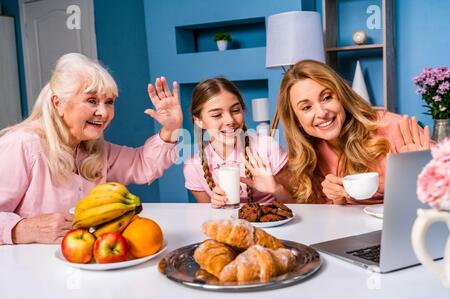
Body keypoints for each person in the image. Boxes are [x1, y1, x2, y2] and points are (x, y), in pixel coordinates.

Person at [0, 53, 182, 245]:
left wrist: (171, 129)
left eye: (109, 102)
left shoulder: (93, 148)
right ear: (58, 103)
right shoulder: (22, 145)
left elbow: (142, 164)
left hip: (82, 263)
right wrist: (22, 230)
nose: (103, 113)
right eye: (92, 101)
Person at [276, 59, 432, 205]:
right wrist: (338, 201)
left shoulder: (394, 127)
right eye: (306, 107)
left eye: (327, 97)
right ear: (297, 120)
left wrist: (426, 170)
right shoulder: (309, 156)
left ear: (341, 97)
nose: (321, 112)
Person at [183, 77, 293, 208]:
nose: (230, 120)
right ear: (199, 121)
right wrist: (215, 206)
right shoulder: (193, 166)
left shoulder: (267, 147)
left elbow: (300, 205)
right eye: (217, 115)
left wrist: (276, 189)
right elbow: (209, 219)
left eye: (235, 110)